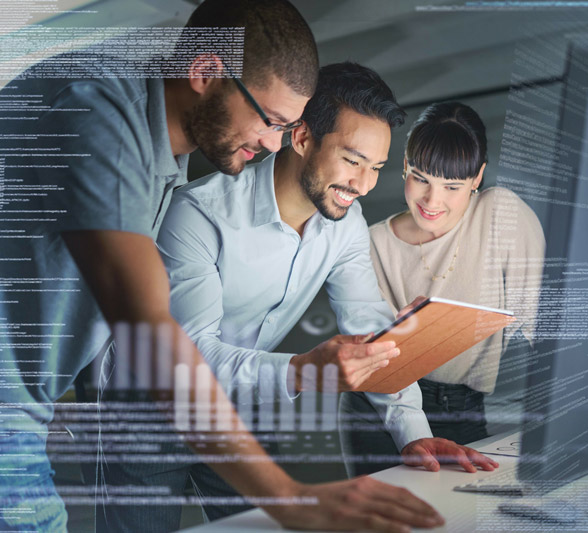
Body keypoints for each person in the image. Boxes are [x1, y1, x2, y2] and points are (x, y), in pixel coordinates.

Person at [0, 1, 443, 531]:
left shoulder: (163, 145)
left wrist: (412, 423)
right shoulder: (100, 109)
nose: (276, 143)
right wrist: (290, 498)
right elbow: (150, 333)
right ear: (207, 73)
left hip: (33, 408)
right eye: (272, 122)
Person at [156, 63, 498, 526]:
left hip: (242, 408)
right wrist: (302, 371)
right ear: (300, 138)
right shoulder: (196, 215)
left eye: (376, 168)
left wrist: (413, 435)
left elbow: (369, 329)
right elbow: (191, 358)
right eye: (353, 160)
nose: (364, 184)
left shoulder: (345, 227)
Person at [339, 101, 546, 476]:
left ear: (477, 177)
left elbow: (544, 328)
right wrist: (404, 339)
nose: (432, 202)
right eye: (420, 178)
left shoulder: (501, 215)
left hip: (463, 406)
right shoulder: (372, 244)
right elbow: (370, 357)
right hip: (380, 412)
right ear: (404, 164)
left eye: (452, 186)